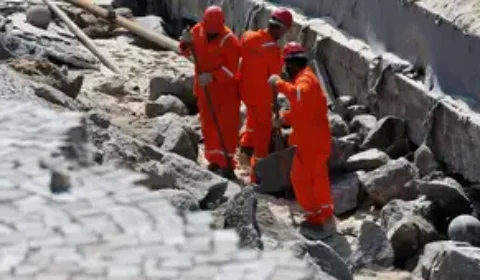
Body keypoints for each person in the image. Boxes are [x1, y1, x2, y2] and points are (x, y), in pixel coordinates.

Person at [268, 42, 335, 239]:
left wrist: (279, 84)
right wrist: (284, 119)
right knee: (314, 178)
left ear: (292, 63)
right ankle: (322, 213)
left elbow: (299, 94)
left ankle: (317, 218)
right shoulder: (305, 78)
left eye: (286, 65)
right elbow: (303, 111)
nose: (285, 70)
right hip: (314, 140)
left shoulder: (305, 80)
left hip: (312, 143)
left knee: (306, 179)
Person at [179, 5, 240, 179]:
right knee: (208, 126)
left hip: (225, 91)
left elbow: (231, 70)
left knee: (226, 128)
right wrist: (184, 43)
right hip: (204, 89)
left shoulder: (230, 41)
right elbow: (185, 51)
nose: (209, 34)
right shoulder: (198, 30)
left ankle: (227, 164)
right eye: (208, 30)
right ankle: (213, 160)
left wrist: (213, 77)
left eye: (213, 32)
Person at [237, 7, 293, 183]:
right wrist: (275, 102)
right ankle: (256, 174)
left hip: (245, 92)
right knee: (263, 135)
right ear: (281, 28)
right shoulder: (273, 51)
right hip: (262, 97)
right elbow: (274, 80)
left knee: (252, 121)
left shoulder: (248, 37)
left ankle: (245, 149)